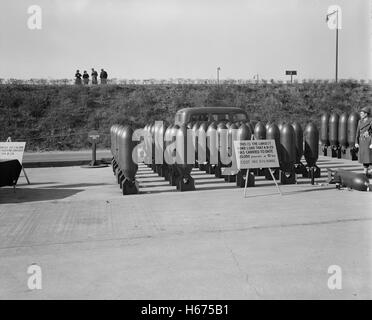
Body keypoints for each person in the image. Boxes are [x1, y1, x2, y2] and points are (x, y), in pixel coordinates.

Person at [355, 106, 372, 177]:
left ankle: (370, 170)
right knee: (364, 157)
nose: (360, 114)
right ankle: (365, 171)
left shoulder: (371, 121)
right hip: (362, 141)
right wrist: (356, 142)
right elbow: (357, 132)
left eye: (362, 113)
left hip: (369, 141)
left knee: (369, 157)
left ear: (366, 114)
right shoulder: (360, 121)